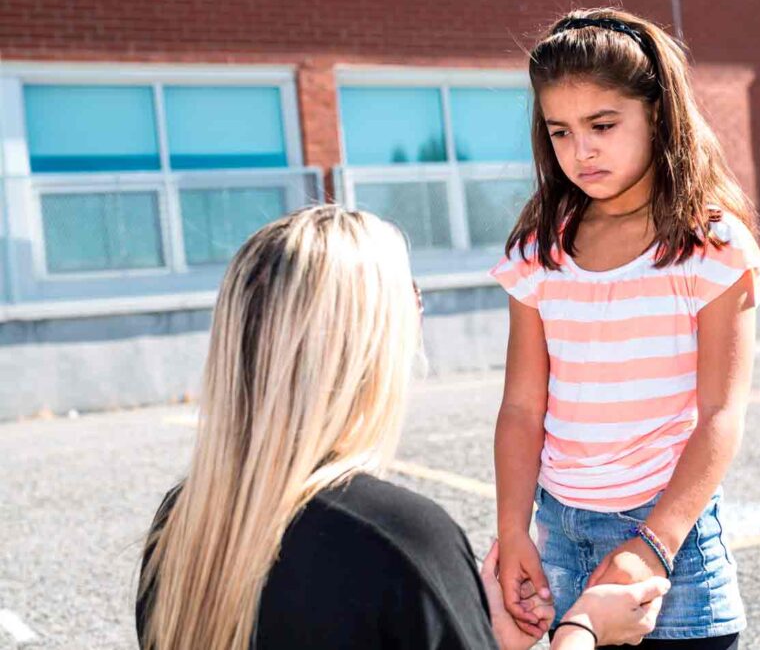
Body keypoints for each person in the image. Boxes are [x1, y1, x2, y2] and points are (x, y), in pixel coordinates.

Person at [135, 206, 669, 650]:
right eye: (411, 296)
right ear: (370, 340)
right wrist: (583, 629)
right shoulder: (399, 539)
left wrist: (468, 627)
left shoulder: (183, 527)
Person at [490, 8, 760, 649]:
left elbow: (720, 415)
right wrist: (513, 531)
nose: (580, 150)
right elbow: (520, 406)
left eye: (603, 125)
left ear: (657, 115)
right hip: (557, 528)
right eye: (560, 131)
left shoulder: (712, 245)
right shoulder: (539, 252)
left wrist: (652, 546)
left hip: (669, 535)